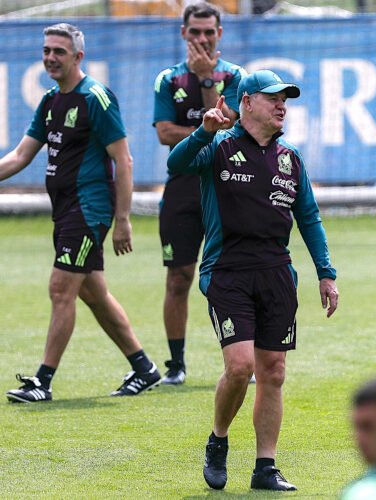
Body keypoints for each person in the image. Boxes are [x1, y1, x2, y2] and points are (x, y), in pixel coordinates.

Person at [167, 70, 339, 491]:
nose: (282, 105)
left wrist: (326, 273)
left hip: (277, 274)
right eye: (272, 98)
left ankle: (265, 467)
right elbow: (176, 164)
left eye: (286, 99)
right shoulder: (218, 146)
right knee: (241, 366)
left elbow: (309, 218)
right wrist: (202, 133)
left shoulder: (291, 158)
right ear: (246, 102)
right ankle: (219, 440)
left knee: (274, 371)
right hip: (227, 273)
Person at [1, 23, 160, 402]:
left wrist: (122, 220)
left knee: (60, 289)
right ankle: (144, 367)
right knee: (92, 292)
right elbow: (21, 156)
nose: (50, 58)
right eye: (46, 51)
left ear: (78, 56)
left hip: (89, 210)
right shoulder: (51, 101)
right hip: (66, 210)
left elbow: (124, 160)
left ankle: (43, 381)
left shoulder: (96, 98)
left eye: (58, 51)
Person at [153, 1, 245, 385]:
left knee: (237, 274)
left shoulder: (235, 76)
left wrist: (208, 82)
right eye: (195, 32)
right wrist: (203, 131)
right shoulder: (168, 79)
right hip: (182, 192)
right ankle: (176, 366)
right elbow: (162, 134)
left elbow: (226, 131)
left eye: (209, 32)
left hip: (228, 187)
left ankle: (242, 360)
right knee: (179, 278)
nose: (202, 38)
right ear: (183, 33)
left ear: (220, 33)